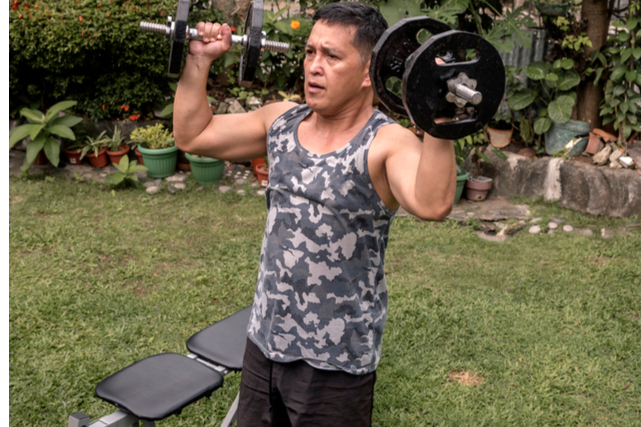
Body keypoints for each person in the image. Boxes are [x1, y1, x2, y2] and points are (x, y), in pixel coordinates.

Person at [174, 2, 456, 426]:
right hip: (265, 341)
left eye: (332, 56)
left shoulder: (386, 143)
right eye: (310, 53)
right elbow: (193, 135)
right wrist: (198, 60)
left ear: (368, 72)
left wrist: (439, 114)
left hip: (336, 364)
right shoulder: (281, 122)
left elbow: (433, 204)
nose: (314, 67)